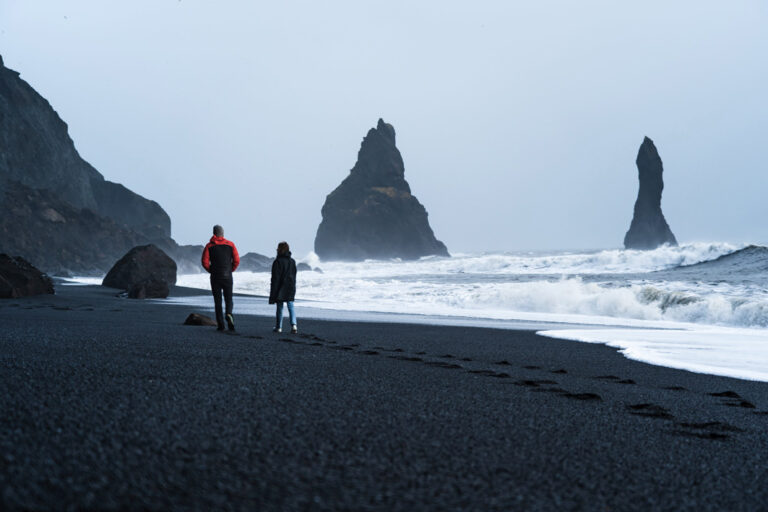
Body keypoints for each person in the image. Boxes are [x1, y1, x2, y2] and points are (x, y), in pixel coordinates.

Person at [201, 225, 240, 331]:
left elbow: (204, 262)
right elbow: (237, 260)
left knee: (217, 301)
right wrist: (231, 269)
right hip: (227, 276)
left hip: (215, 276)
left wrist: (211, 270)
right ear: (223, 233)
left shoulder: (209, 246)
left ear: (214, 233)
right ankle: (229, 313)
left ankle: (221, 325)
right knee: (229, 299)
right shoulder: (231, 244)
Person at [269, 241, 297, 333]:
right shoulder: (292, 261)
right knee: (291, 305)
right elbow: (294, 275)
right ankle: (294, 325)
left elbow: (275, 278)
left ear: (279, 250)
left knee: (280, 306)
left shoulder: (277, 262)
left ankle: (279, 327)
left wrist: (273, 293)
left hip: (280, 286)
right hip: (290, 285)